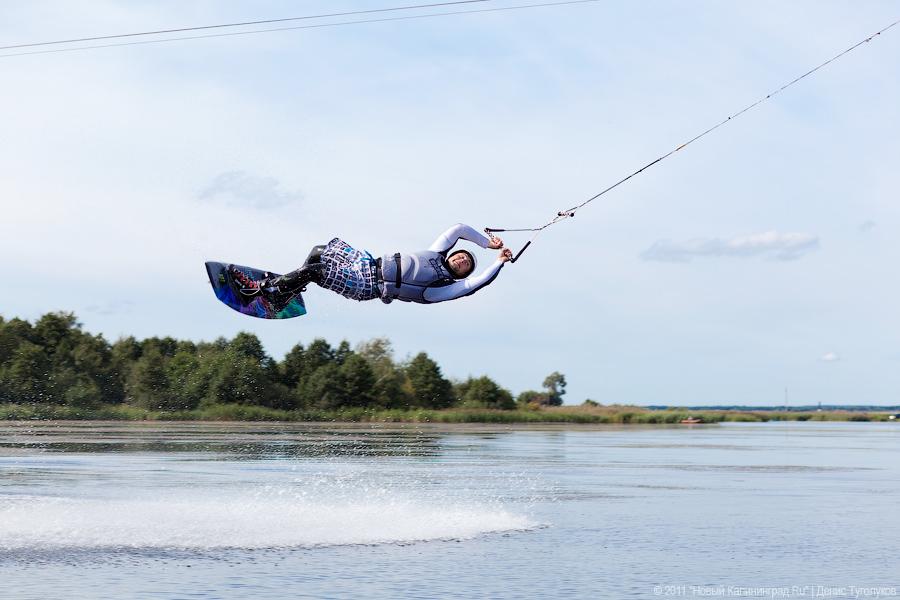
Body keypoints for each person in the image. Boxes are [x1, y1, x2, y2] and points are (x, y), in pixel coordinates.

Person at [228, 223, 513, 309]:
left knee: (314, 271)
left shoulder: (438, 290)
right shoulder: (435, 252)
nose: (463, 260)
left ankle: (263, 291)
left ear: (461, 274)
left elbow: (474, 285)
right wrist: (488, 245)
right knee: (318, 253)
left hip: (368, 285)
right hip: (364, 264)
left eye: (466, 266)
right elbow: (459, 228)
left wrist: (498, 263)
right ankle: (284, 293)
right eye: (463, 255)